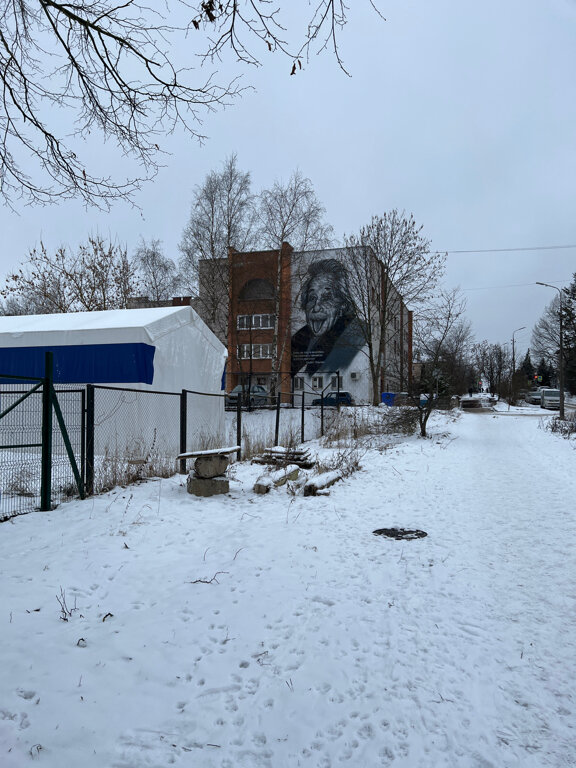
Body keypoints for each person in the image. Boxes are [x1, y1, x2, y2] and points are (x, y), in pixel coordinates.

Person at [291, 259, 363, 376]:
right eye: (312, 298)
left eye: (326, 298)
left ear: (343, 305)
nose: (316, 307)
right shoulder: (297, 340)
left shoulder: (357, 336)